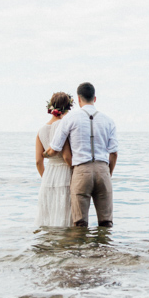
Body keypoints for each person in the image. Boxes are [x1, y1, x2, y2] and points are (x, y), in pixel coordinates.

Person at [47, 82, 118, 227]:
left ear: (79, 99)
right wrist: (108, 172)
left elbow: (54, 148)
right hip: (103, 169)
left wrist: (43, 154)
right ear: (95, 98)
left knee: (80, 222)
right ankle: (104, 248)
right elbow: (114, 153)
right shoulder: (108, 121)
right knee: (106, 222)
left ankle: (82, 248)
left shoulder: (70, 118)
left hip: (81, 171)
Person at [34, 92, 75, 228]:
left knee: (50, 216)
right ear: (68, 107)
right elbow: (67, 156)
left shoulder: (41, 130)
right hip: (65, 172)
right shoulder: (64, 126)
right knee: (65, 213)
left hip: (49, 175)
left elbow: (38, 162)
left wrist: (46, 178)